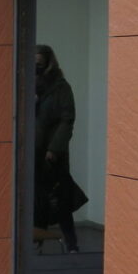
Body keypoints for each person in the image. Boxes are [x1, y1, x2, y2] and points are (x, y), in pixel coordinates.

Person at [33, 44, 87, 253]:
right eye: (33, 63)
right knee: (37, 200)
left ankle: (71, 244)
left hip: (53, 154)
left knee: (61, 198)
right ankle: (36, 244)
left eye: (39, 63)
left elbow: (67, 120)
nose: (36, 67)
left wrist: (54, 149)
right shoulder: (29, 85)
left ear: (48, 63)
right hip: (33, 151)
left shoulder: (61, 87)